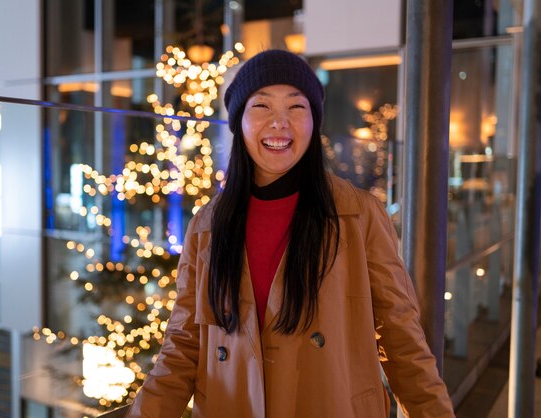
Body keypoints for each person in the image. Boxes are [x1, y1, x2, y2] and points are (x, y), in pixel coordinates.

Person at [125, 49, 455, 418]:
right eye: (262, 106)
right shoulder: (208, 225)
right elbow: (184, 346)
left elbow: (401, 340)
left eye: (296, 108)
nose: (279, 123)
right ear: (239, 123)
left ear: (314, 121)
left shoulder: (358, 214)